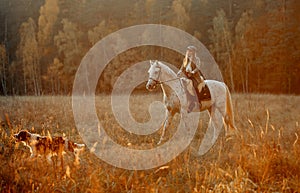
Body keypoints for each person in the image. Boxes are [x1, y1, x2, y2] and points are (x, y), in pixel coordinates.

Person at [177, 46, 205, 112]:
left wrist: (193, 72)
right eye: (188, 51)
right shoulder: (185, 59)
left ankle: (196, 101)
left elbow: (197, 67)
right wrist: (180, 72)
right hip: (187, 76)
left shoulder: (197, 59)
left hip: (194, 76)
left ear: (193, 52)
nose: (189, 52)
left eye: (190, 51)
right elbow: (182, 68)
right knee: (182, 85)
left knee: (194, 86)